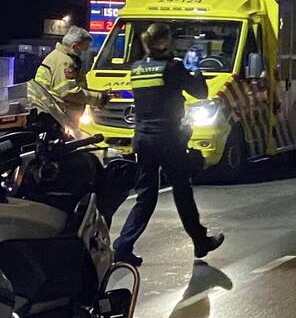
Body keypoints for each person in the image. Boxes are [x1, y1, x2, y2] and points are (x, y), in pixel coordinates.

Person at [113, 23, 224, 267]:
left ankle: (122, 246)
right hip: (168, 139)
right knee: (182, 190)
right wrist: (195, 69)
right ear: (164, 42)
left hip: (142, 139)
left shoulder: (137, 69)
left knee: (146, 196)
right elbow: (201, 93)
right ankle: (200, 241)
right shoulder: (172, 68)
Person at [34, 26, 110, 118]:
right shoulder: (65, 62)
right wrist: (99, 98)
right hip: (57, 115)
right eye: (84, 49)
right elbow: (68, 92)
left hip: (51, 111)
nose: (85, 53)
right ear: (74, 46)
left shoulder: (58, 56)